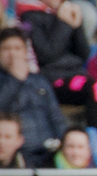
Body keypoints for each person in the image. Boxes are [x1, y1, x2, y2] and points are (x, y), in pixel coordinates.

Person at [0, 28, 69, 166]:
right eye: (6, 48)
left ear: (25, 52)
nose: (12, 53)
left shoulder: (40, 81)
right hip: (17, 154)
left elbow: (56, 117)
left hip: (48, 151)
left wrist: (64, 142)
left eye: (17, 48)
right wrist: (15, 80)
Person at [16, 0, 90, 93]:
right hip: (51, 79)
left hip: (74, 72)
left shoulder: (59, 13)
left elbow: (83, 54)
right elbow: (46, 55)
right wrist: (64, 24)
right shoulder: (29, 17)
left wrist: (77, 26)